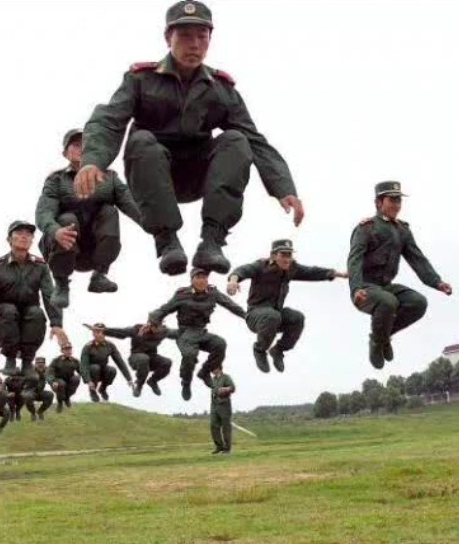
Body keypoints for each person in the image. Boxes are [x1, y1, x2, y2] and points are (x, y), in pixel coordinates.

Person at [74, 0, 304, 276]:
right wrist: (93, 160)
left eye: (201, 37)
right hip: (152, 174)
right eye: (185, 36)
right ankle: (167, 242)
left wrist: (284, 187)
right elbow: (108, 120)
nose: (194, 44)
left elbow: (254, 139)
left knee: (236, 139)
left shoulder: (221, 88)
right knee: (141, 139)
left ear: (210, 40)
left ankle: (212, 243)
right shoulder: (140, 79)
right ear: (168, 38)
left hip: (198, 176)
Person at [347, 181, 452, 368]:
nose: (396, 205)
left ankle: (382, 337)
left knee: (418, 302)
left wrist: (437, 282)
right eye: (392, 200)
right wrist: (356, 289)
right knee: (388, 301)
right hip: (365, 289)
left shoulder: (402, 230)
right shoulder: (366, 228)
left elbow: (417, 259)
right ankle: (378, 342)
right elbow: (354, 261)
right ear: (379, 202)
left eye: (399, 201)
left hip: (385, 287)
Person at [36, 129, 144, 309]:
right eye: (76, 145)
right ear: (65, 153)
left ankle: (99, 276)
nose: (82, 148)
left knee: (109, 211)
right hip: (63, 248)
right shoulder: (56, 179)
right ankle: (61, 284)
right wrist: (55, 231)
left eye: (87, 144)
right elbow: (43, 212)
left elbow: (130, 203)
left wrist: (153, 223)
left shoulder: (109, 177)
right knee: (68, 219)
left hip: (94, 250)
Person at [227, 239, 347, 373]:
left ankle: (278, 350)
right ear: (273, 256)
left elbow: (312, 272)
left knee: (297, 318)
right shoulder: (261, 266)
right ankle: (259, 350)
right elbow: (242, 270)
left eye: (289, 255)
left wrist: (336, 273)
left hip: (275, 316)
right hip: (255, 316)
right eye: (283, 255)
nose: (287, 259)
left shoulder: (291, 268)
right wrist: (233, 281)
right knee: (272, 316)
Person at [0, 220, 68, 376]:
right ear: (9, 239)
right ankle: (10, 358)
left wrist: (57, 324)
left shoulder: (41, 266)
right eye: (19, 233)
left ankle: (27, 361)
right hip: (3, 317)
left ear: (32, 240)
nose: (24, 237)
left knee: (36, 313)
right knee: (8, 310)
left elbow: (49, 295)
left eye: (29, 234)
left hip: (29, 314)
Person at [146, 267, 245, 400]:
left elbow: (230, 305)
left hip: (201, 332)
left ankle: (204, 372)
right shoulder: (182, 294)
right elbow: (164, 310)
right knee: (189, 355)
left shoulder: (213, 292)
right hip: (185, 333)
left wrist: (247, 316)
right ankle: (186, 382)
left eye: (204, 278)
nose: (201, 281)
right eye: (198, 278)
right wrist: (152, 322)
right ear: (192, 280)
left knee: (220, 344)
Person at [85, 322, 177, 397]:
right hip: (135, 358)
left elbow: (177, 333)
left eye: (159, 328)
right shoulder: (136, 329)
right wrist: (102, 330)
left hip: (152, 358)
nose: (157, 331)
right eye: (155, 328)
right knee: (143, 358)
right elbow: (120, 332)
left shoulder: (163, 331)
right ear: (150, 326)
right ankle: (139, 385)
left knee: (167, 362)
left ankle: (153, 381)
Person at [80, 324, 134, 402]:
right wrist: (88, 381)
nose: (100, 335)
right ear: (93, 334)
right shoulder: (88, 347)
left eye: (102, 332)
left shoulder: (110, 345)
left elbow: (120, 362)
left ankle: (102, 389)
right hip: (91, 372)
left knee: (112, 370)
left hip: (103, 371)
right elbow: (83, 366)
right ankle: (92, 391)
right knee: (95, 368)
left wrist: (129, 379)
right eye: (97, 332)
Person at [209, 360, 235, 455]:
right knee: (213, 425)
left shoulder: (226, 377)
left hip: (224, 405)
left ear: (218, 368)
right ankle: (219, 446)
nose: (212, 370)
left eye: (213, 368)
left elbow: (233, 388)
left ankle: (227, 449)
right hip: (214, 405)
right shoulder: (213, 379)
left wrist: (225, 389)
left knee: (226, 427)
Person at [46, 343, 81, 412]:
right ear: (62, 351)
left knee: (76, 378)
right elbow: (49, 373)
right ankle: (60, 403)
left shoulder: (75, 361)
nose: (68, 351)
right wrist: (52, 382)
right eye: (66, 349)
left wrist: (89, 379)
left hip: (69, 381)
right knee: (61, 384)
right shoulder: (56, 361)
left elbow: (82, 371)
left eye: (69, 349)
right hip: (57, 381)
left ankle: (67, 398)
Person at [21, 357, 55, 421]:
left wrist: (53, 383)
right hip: (29, 391)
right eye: (38, 363)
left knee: (50, 395)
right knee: (28, 396)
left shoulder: (47, 371)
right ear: (35, 364)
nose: (40, 365)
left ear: (44, 364)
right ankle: (33, 413)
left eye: (42, 363)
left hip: (39, 392)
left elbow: (50, 379)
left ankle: (40, 412)